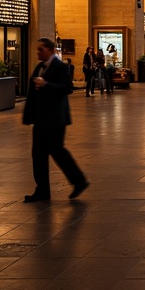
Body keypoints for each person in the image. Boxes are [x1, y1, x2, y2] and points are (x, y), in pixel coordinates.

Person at [22, 37, 89, 202]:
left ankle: (79, 180)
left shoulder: (61, 67)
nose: (38, 52)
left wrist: (46, 85)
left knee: (57, 151)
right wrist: (28, 115)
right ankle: (42, 190)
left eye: (41, 49)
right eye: (37, 49)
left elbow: (66, 88)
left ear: (50, 50)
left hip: (55, 119)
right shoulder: (39, 66)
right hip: (40, 119)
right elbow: (32, 94)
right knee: (38, 155)